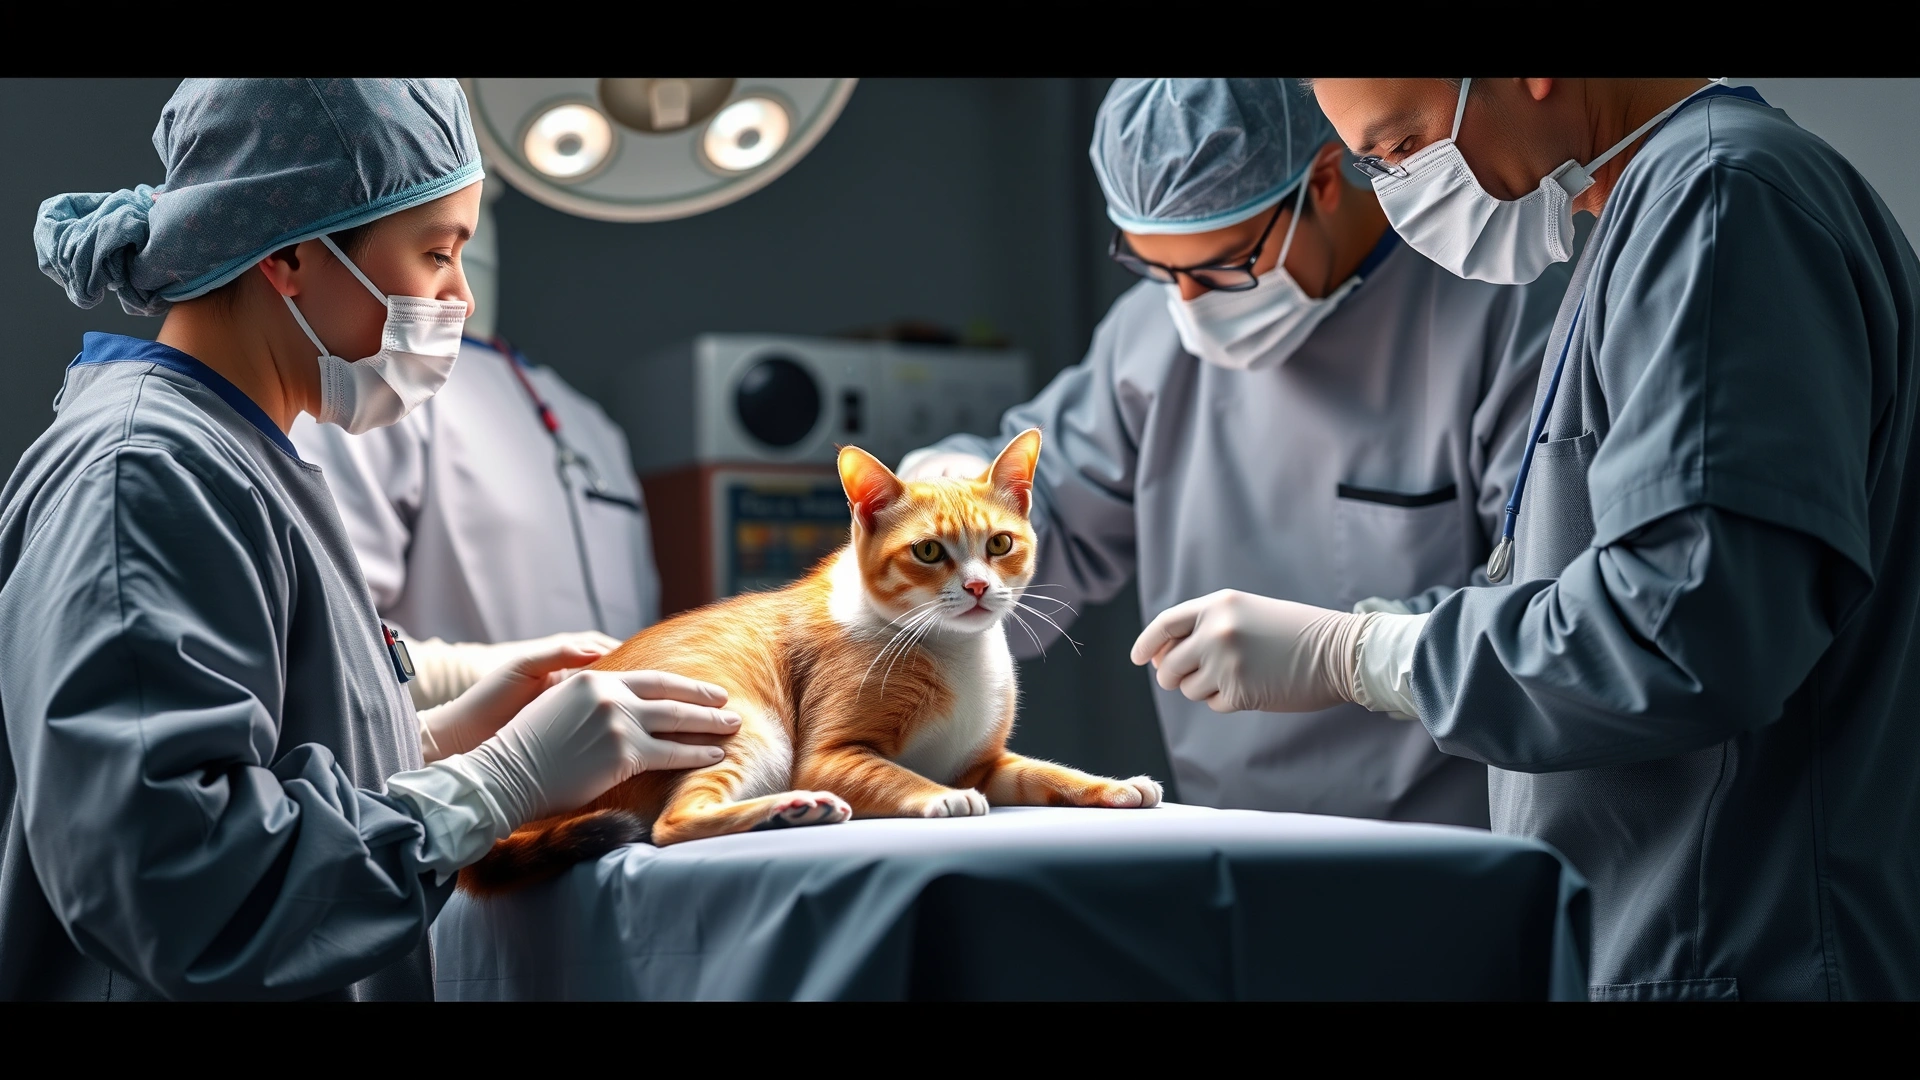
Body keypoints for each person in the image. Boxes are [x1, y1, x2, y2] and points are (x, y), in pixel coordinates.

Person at [1135, 77, 1920, 998]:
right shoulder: (1646, 215)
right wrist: (1373, 626)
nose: (1397, 189)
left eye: (1400, 147)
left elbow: (1689, 628)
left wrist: (1364, 656)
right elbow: (1588, 574)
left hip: (1740, 951)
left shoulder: (1721, 201)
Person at [1, 79, 737, 1001]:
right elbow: (176, 889)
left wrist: (427, 733)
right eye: (437, 254)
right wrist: (493, 786)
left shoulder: (241, 453)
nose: (461, 300)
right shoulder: (143, 472)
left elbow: (267, 756)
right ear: (294, 255)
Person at [899, 78, 1566, 826]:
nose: (1187, 307)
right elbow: (1048, 514)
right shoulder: (1148, 337)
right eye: (1158, 271)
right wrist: (947, 492)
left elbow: (1552, 619)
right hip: (1235, 838)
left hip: (1456, 845)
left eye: (1218, 269)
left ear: (1321, 184)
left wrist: (1342, 653)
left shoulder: (1504, 314)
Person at [290, 186, 661, 711]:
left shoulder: (595, 427)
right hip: (431, 771)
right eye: (439, 255)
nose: (464, 298)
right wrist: (498, 687)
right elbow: (328, 646)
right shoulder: (372, 396)